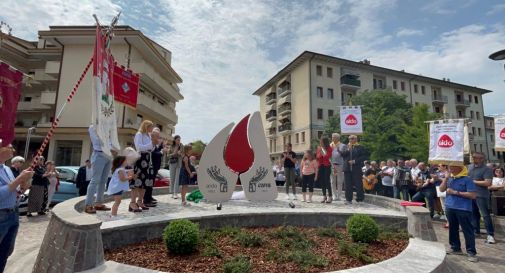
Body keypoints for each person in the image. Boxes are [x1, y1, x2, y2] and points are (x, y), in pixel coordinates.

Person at [0, 141, 33, 272]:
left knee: (5, 252)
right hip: (1, 215)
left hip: (13, 213)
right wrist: (19, 179)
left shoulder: (6, 169)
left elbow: (16, 191)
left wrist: (25, 182)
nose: (13, 149)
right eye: (9, 147)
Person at [439, 164, 478, 263]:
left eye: (452, 167)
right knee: (452, 228)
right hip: (450, 207)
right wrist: (445, 179)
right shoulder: (450, 178)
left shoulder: (467, 179)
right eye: (449, 167)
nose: (450, 168)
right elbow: (441, 189)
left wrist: (455, 192)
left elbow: (473, 195)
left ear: (460, 168)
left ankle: (471, 252)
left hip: (463, 209)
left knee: (467, 230)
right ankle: (455, 248)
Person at [85, 125, 117, 214]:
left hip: (108, 156)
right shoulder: (93, 127)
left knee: (103, 181)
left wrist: (113, 148)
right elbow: (97, 141)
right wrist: (110, 147)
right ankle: (88, 205)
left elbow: (110, 140)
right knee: (95, 180)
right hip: (99, 154)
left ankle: (98, 203)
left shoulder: (107, 126)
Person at [468, 152, 495, 244]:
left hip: (481, 195)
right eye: (473, 157)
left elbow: (488, 183)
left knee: (485, 215)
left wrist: (473, 181)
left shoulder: (487, 169)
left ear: (482, 159)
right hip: (471, 194)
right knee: (474, 214)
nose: (474, 159)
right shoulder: (470, 167)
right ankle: (476, 232)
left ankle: (490, 234)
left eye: (476, 157)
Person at [130, 120, 155, 212]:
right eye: (150, 127)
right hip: (141, 159)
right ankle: (132, 203)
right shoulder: (139, 134)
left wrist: (152, 145)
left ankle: (140, 201)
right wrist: (150, 145)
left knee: (145, 182)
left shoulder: (148, 135)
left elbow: (151, 148)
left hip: (148, 159)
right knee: (137, 181)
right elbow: (139, 147)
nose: (152, 129)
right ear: (146, 126)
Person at [341, 135, 367, 204]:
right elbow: (343, 155)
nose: (350, 140)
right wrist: (348, 149)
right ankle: (348, 199)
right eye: (349, 139)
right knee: (347, 185)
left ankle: (360, 199)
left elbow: (364, 157)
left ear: (356, 139)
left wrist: (354, 161)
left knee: (358, 184)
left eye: (352, 139)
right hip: (347, 168)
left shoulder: (360, 147)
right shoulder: (346, 147)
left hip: (356, 168)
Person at [144, 128, 163, 207]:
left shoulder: (153, 144)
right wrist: (161, 152)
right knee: (148, 184)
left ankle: (148, 199)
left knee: (150, 183)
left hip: (153, 166)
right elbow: (154, 154)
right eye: (157, 137)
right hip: (149, 166)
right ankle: (146, 200)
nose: (158, 138)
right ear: (153, 136)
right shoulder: (150, 143)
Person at [330, 133, 347, 201]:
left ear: (338, 138)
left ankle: (339, 195)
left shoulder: (343, 145)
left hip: (340, 165)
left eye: (334, 137)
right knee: (332, 181)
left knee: (339, 181)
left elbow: (345, 155)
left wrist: (338, 150)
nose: (332, 138)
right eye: (332, 137)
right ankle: (334, 195)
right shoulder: (330, 145)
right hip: (332, 165)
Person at [316, 137, 333, 203]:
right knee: (322, 181)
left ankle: (330, 196)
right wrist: (320, 153)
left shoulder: (329, 148)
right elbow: (317, 157)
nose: (320, 143)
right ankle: (324, 196)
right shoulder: (319, 149)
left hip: (327, 166)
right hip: (321, 166)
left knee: (327, 181)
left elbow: (327, 156)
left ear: (324, 142)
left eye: (321, 141)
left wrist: (322, 153)